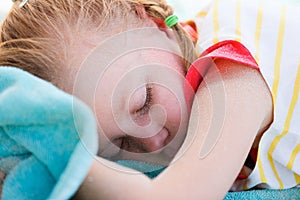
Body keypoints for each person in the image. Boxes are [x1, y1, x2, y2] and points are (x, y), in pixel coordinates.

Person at [0, 0, 298, 199]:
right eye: (121, 146)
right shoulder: (174, 62)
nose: (153, 142)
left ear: (157, 24)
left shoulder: (232, 69)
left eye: (144, 101)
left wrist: (60, 153)